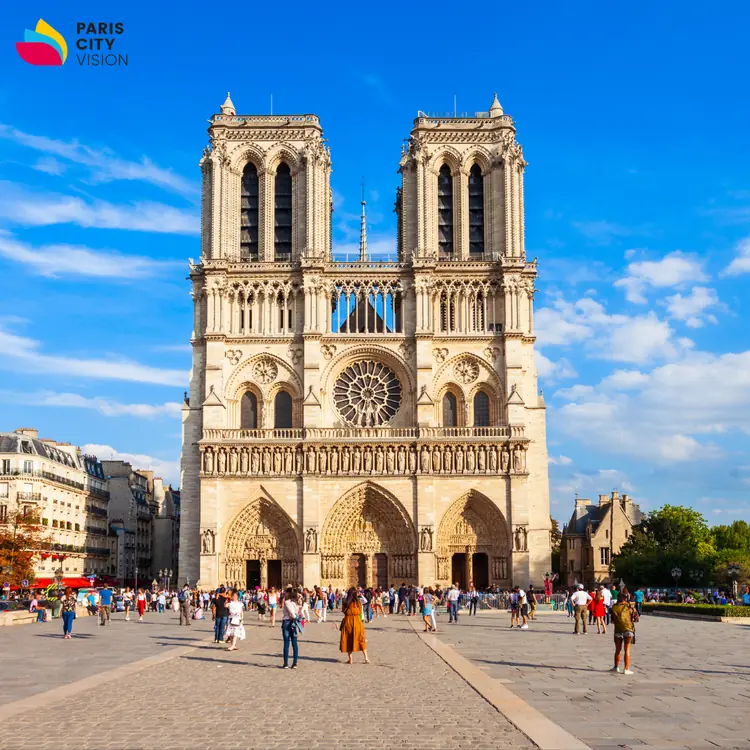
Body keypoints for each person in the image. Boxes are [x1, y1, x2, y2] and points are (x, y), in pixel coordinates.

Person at [340, 587, 369, 664]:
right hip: (357, 622)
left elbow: (344, 611)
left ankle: (350, 659)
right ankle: (366, 658)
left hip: (348, 622)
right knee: (361, 639)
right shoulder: (358, 602)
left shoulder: (345, 602)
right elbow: (360, 610)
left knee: (348, 640)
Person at [611, 587, 636, 674]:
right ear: (626, 597)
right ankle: (626, 669)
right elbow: (636, 618)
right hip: (628, 629)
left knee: (618, 649)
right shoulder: (629, 606)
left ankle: (616, 667)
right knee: (627, 649)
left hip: (618, 629)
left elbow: (612, 620)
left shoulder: (614, 607)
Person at [281, 586, 300, 669]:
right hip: (294, 623)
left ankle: (286, 663)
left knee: (286, 643)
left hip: (287, 622)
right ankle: (295, 663)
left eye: (286, 592)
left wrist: (293, 617)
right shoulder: (296, 602)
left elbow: (292, 613)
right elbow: (297, 612)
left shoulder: (287, 602)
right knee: (294, 643)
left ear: (288, 593)